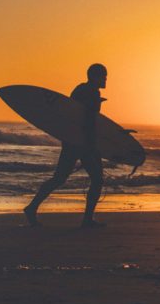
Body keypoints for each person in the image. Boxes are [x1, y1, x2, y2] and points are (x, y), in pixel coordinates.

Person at [24, 63, 108, 228]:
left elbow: (73, 116)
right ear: (95, 77)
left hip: (73, 140)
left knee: (60, 178)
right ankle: (87, 220)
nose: (105, 80)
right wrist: (91, 145)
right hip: (81, 142)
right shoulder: (90, 93)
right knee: (96, 179)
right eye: (103, 76)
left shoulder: (82, 90)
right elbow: (87, 121)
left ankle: (32, 207)